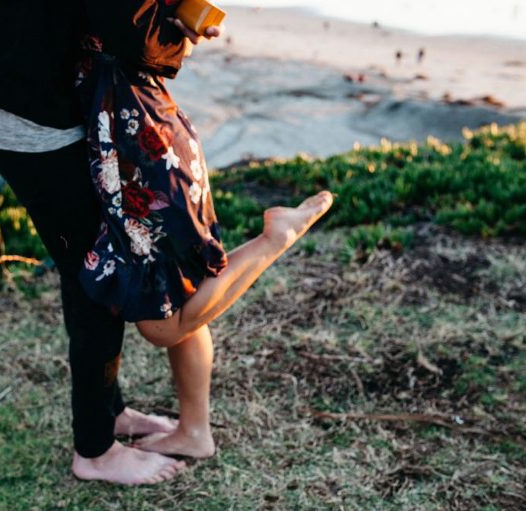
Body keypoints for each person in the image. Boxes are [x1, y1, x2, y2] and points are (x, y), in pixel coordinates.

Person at [74, 1, 333, 462]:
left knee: (162, 325)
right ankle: (194, 432)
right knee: (186, 293)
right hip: (142, 143)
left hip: (146, 155)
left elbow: (149, 41)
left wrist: (176, 23)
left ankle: (275, 239)